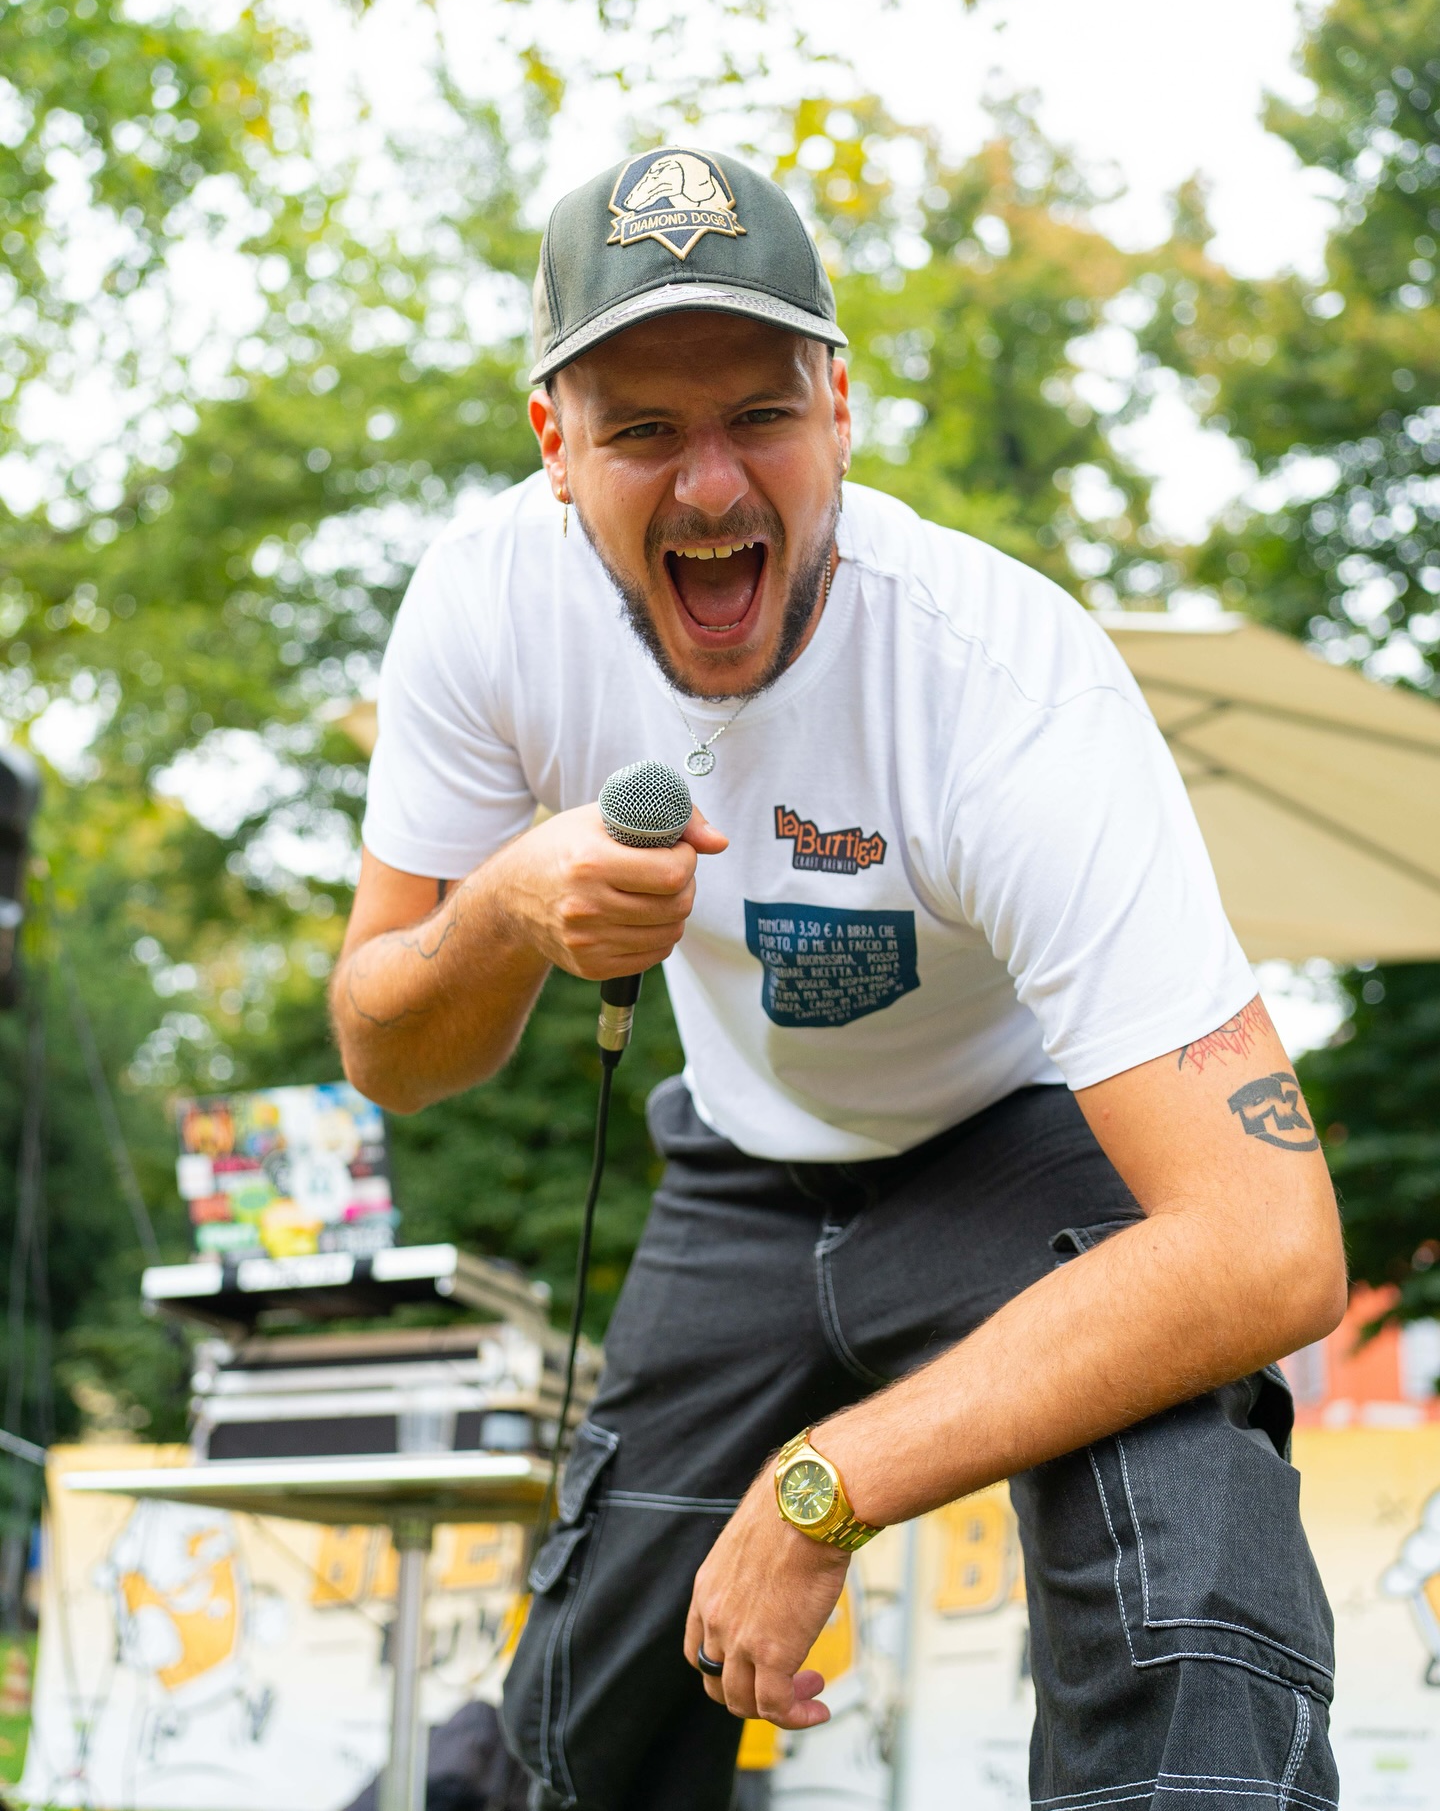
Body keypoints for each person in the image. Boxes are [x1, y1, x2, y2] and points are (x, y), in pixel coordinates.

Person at [333, 146, 1347, 1811]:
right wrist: (506, 908)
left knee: (1189, 1529)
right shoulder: (481, 605)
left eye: (761, 415)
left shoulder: (1004, 683)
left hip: (1022, 1147)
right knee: (584, 1721)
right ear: (554, 448)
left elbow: (1270, 1241)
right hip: (735, 1170)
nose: (714, 487)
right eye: (645, 430)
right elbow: (390, 1052)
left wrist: (829, 1480)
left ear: (843, 409)